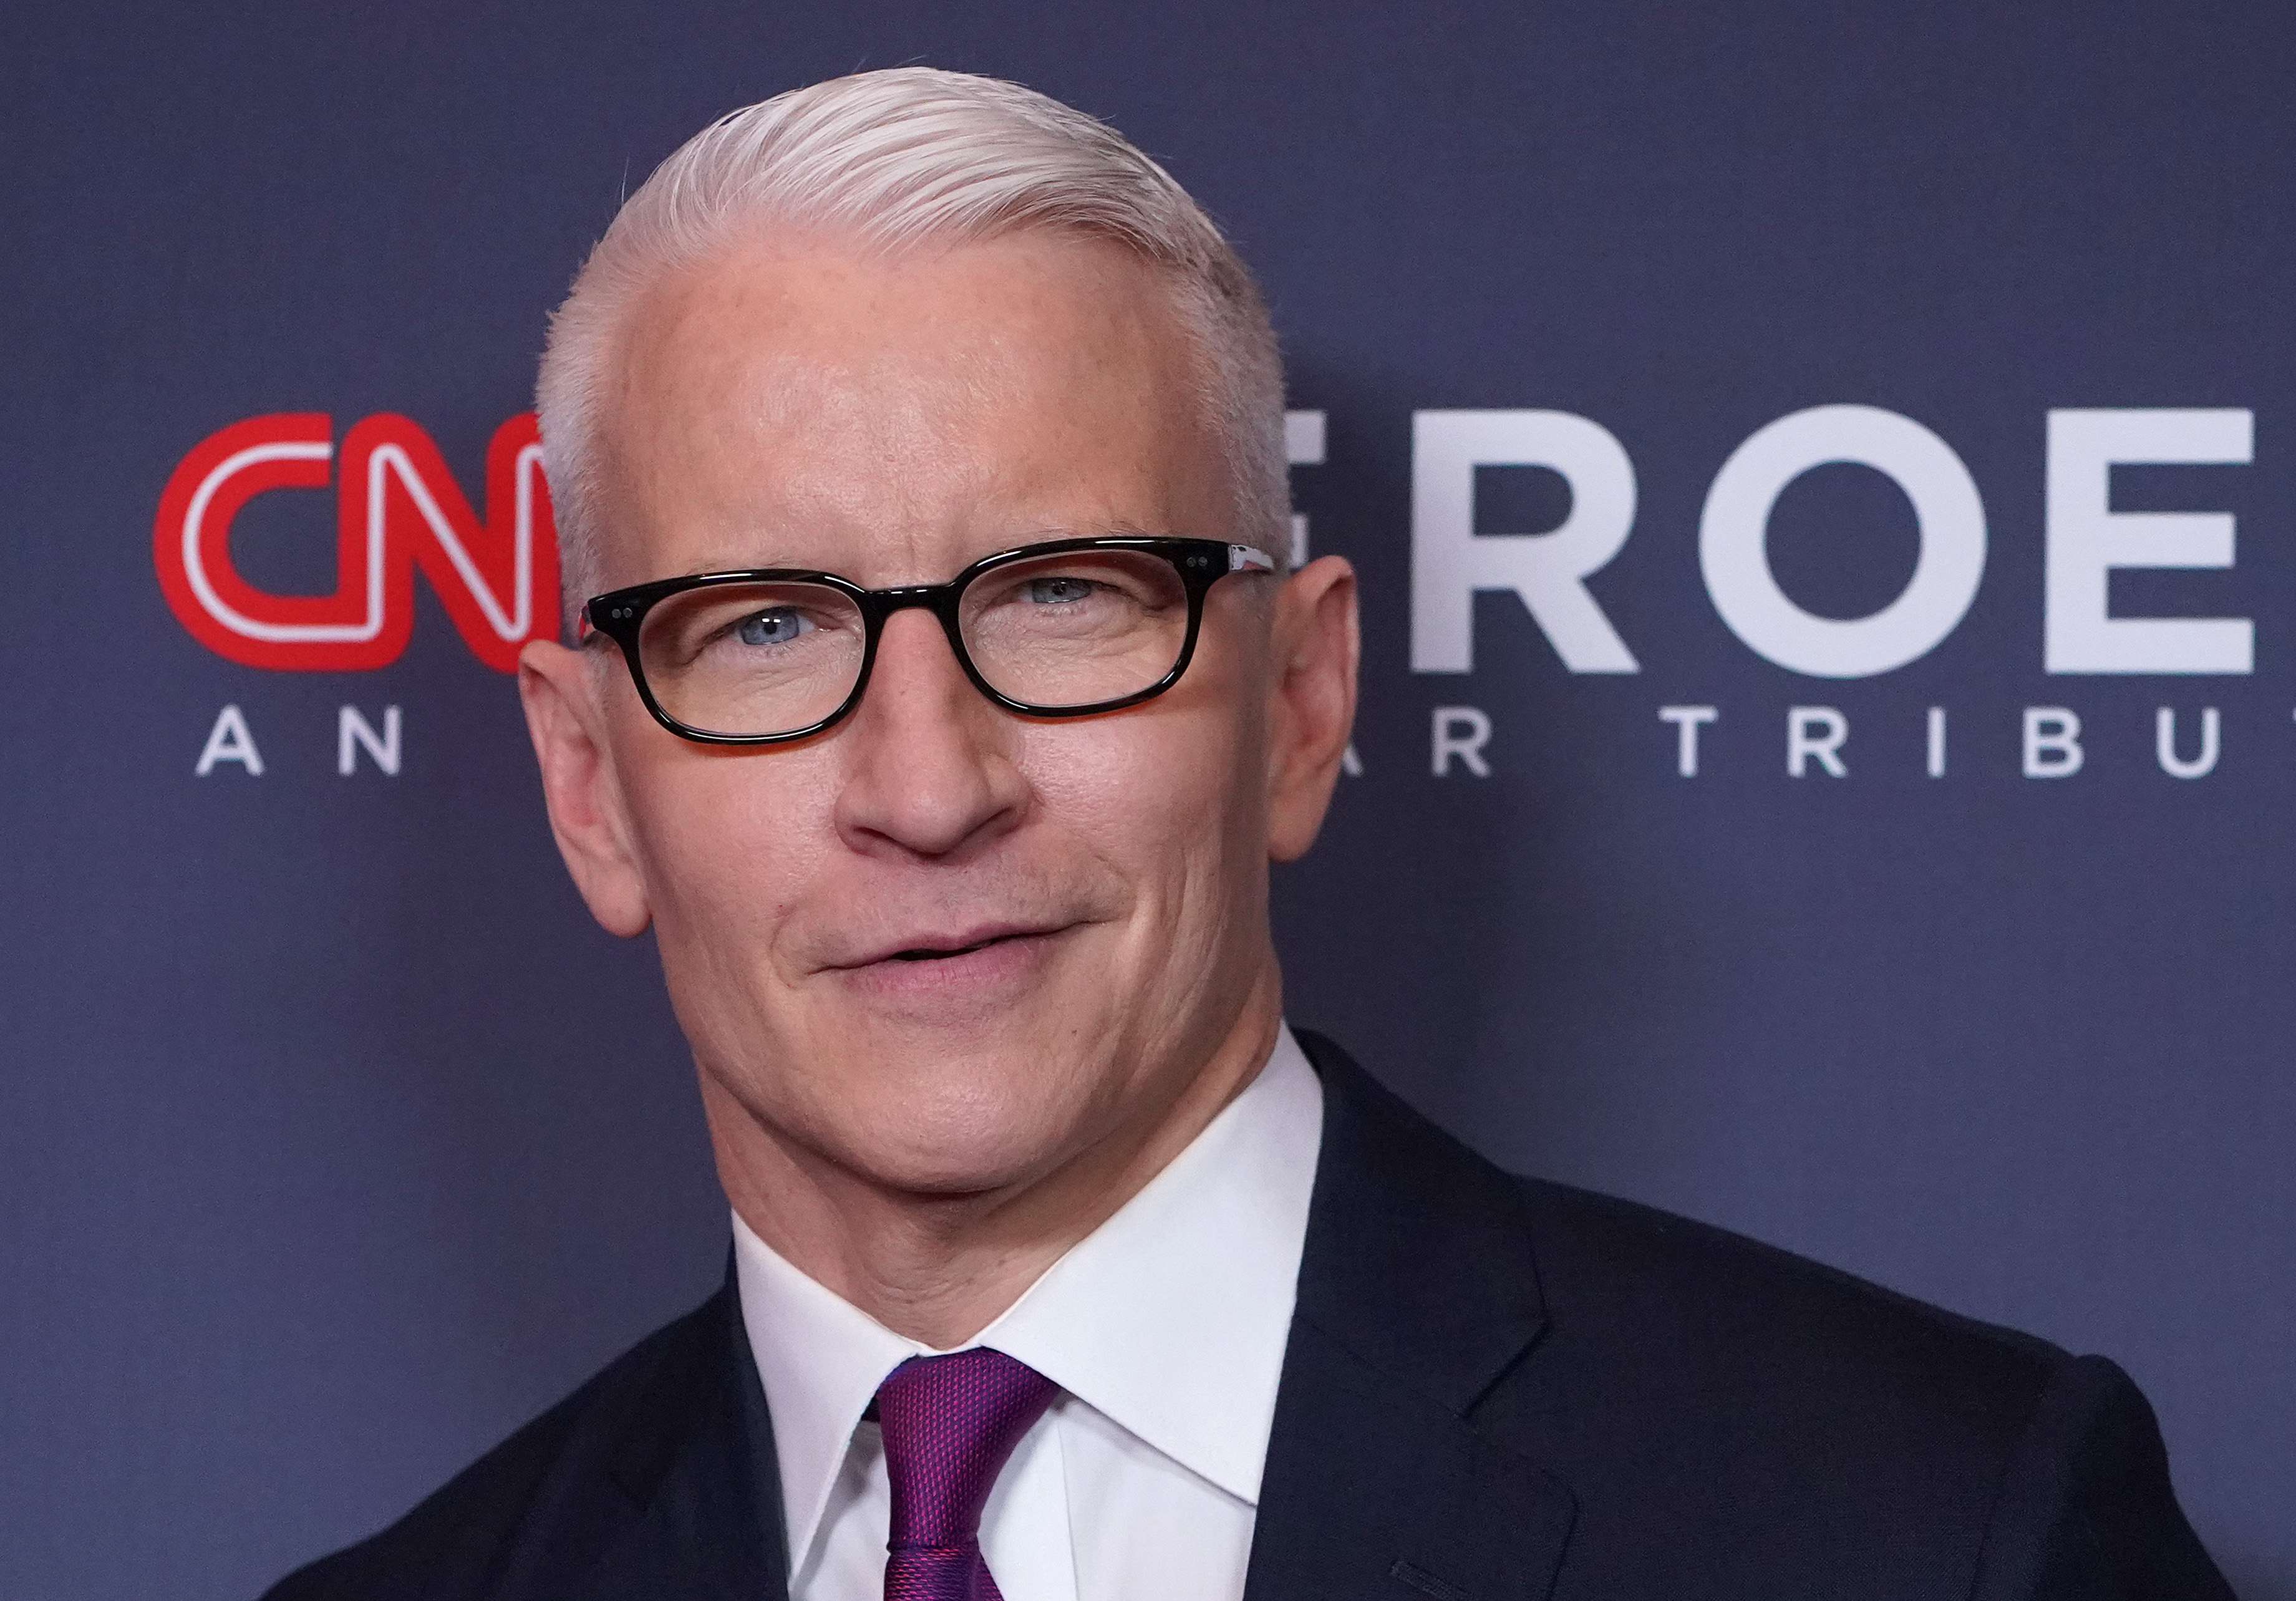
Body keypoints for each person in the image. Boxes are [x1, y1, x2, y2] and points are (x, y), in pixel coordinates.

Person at [264, 67, 2229, 1601]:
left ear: (1298, 701)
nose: (929, 786)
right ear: (589, 786)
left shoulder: (1936, 1535)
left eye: (1064, 596)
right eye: (765, 630)